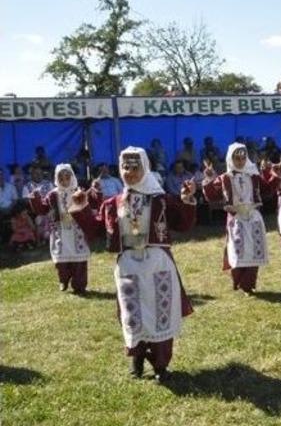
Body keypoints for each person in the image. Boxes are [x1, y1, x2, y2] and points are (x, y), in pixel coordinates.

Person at [77, 146, 197, 382]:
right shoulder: (113, 203)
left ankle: (161, 365)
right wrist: (81, 208)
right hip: (129, 264)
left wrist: (186, 198)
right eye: (125, 167)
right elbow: (96, 231)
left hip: (157, 263)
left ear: (145, 167)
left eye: (135, 167)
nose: (130, 172)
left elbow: (183, 224)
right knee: (133, 314)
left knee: (161, 312)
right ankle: (137, 360)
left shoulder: (161, 199)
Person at [202, 143, 268, 294]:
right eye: (237, 158)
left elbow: (268, 188)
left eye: (243, 158)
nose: (240, 161)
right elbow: (211, 195)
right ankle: (237, 280)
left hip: (253, 218)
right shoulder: (225, 178)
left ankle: (248, 285)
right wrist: (209, 178)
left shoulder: (254, 176)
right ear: (231, 159)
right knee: (237, 251)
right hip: (236, 218)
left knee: (253, 252)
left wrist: (269, 172)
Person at [28, 165, 95, 293]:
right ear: (57, 179)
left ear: (72, 177)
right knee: (61, 260)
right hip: (60, 231)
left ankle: (79, 285)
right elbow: (42, 209)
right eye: (61, 179)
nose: (64, 182)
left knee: (79, 259)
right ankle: (63, 280)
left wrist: (92, 194)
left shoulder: (77, 192)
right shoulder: (52, 195)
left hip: (77, 231)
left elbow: (87, 209)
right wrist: (35, 198)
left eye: (67, 178)